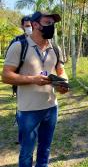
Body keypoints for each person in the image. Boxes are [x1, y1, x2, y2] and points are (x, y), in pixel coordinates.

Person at [2, 11, 69, 167]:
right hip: (28, 110)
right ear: (35, 24)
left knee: (45, 149)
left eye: (53, 23)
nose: (51, 26)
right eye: (47, 22)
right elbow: (6, 76)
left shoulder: (55, 48)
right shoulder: (19, 46)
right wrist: (33, 79)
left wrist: (63, 83)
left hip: (51, 108)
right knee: (26, 152)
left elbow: (60, 70)